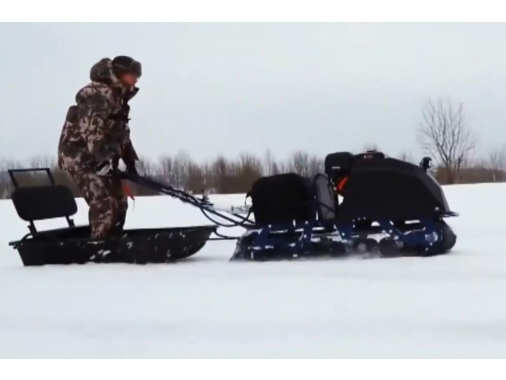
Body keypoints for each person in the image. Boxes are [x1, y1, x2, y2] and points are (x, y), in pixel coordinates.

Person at [58, 56, 142, 239]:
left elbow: (121, 132)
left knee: (119, 200)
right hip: (80, 156)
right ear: (120, 73)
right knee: (104, 202)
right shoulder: (97, 93)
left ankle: (113, 240)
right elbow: (91, 129)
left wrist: (130, 162)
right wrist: (101, 158)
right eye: (133, 74)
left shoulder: (118, 97)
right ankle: (99, 246)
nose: (136, 79)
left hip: (100, 157)